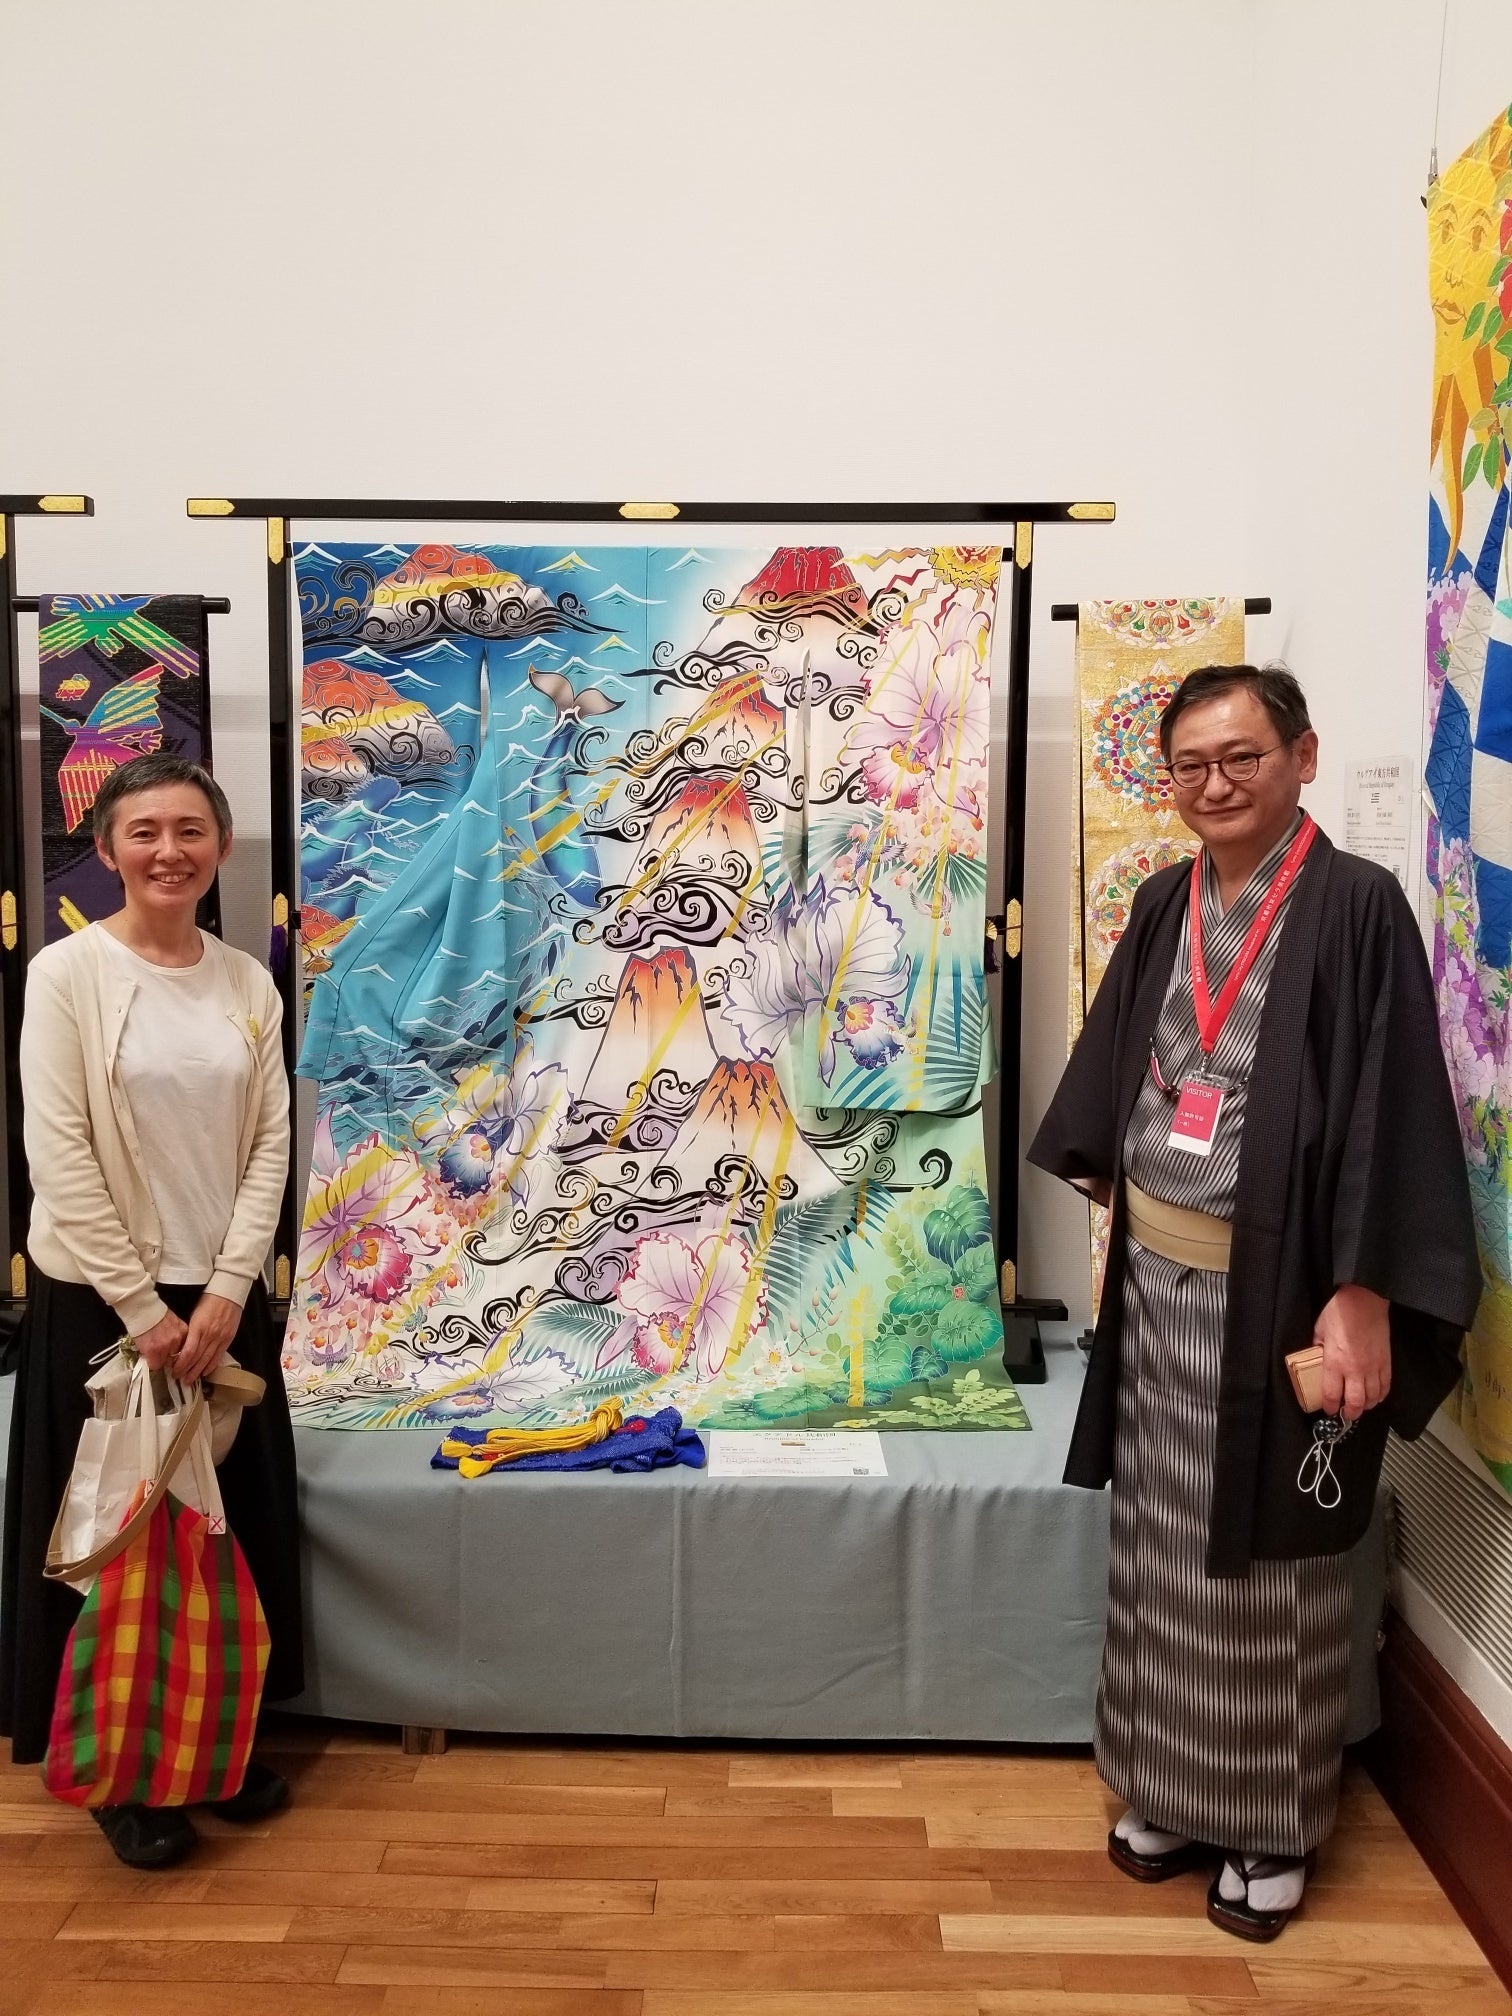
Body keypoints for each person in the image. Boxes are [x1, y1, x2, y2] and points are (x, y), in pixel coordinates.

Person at [1029, 665, 1480, 1942]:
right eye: (1191, 765)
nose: (1215, 784)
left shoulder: (1357, 906)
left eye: (1242, 757)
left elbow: (1393, 1106)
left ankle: (1273, 1824)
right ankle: (1168, 1791)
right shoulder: (1165, 899)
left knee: (1274, 1568)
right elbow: (1122, 1063)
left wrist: (1362, 1295)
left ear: (1303, 757)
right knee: (1161, 1551)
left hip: (1284, 1296)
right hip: (1158, 1281)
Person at [0, 752, 304, 1869]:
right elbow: (57, 1152)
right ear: (107, 847)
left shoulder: (248, 981)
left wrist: (226, 1288)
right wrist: (142, 1306)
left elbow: (270, 1141)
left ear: (220, 846)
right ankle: (121, 1770)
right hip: (102, 1301)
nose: (168, 851)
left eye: (190, 830)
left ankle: (218, 1740)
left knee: (222, 1534)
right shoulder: (66, 974)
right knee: (116, 1542)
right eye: (144, 831)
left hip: (219, 1301)